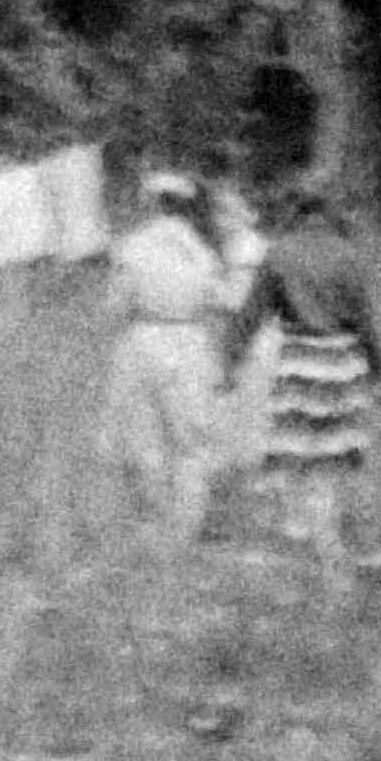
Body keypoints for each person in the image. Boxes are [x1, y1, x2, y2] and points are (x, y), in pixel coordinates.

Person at [245, 195, 381, 561]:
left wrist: (231, 358)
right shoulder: (348, 254)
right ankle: (327, 530)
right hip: (340, 359)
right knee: (333, 450)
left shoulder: (279, 252)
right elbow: (365, 320)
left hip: (298, 357)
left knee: (295, 444)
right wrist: (379, 369)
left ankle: (298, 524)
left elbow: (252, 312)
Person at [102, 171, 243, 540]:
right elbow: (226, 300)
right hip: (189, 339)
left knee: (144, 432)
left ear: (153, 203)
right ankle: (186, 525)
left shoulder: (131, 247)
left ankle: (152, 521)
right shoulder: (201, 251)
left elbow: (115, 306)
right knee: (191, 436)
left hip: (143, 337)